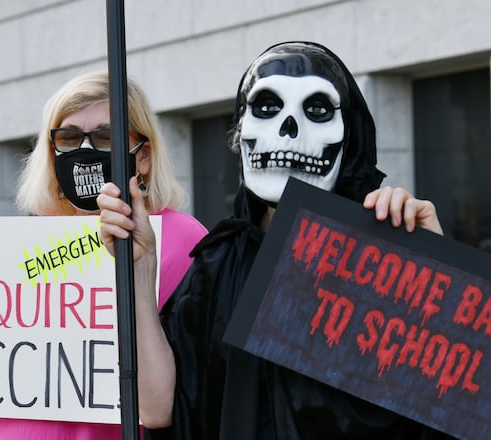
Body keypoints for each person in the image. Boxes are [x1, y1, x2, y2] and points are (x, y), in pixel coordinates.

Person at [97, 41, 453, 439]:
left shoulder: (381, 262)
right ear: (241, 130)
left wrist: (436, 280)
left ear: (349, 140)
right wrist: (139, 271)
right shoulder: (218, 266)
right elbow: (158, 408)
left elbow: (453, 407)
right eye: (266, 108)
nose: (288, 130)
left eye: (317, 111)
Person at [0, 70, 209, 439]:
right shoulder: (25, 242)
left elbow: (172, 403)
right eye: (67, 138)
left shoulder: (179, 239)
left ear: (142, 157)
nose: (84, 151)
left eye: (105, 136)